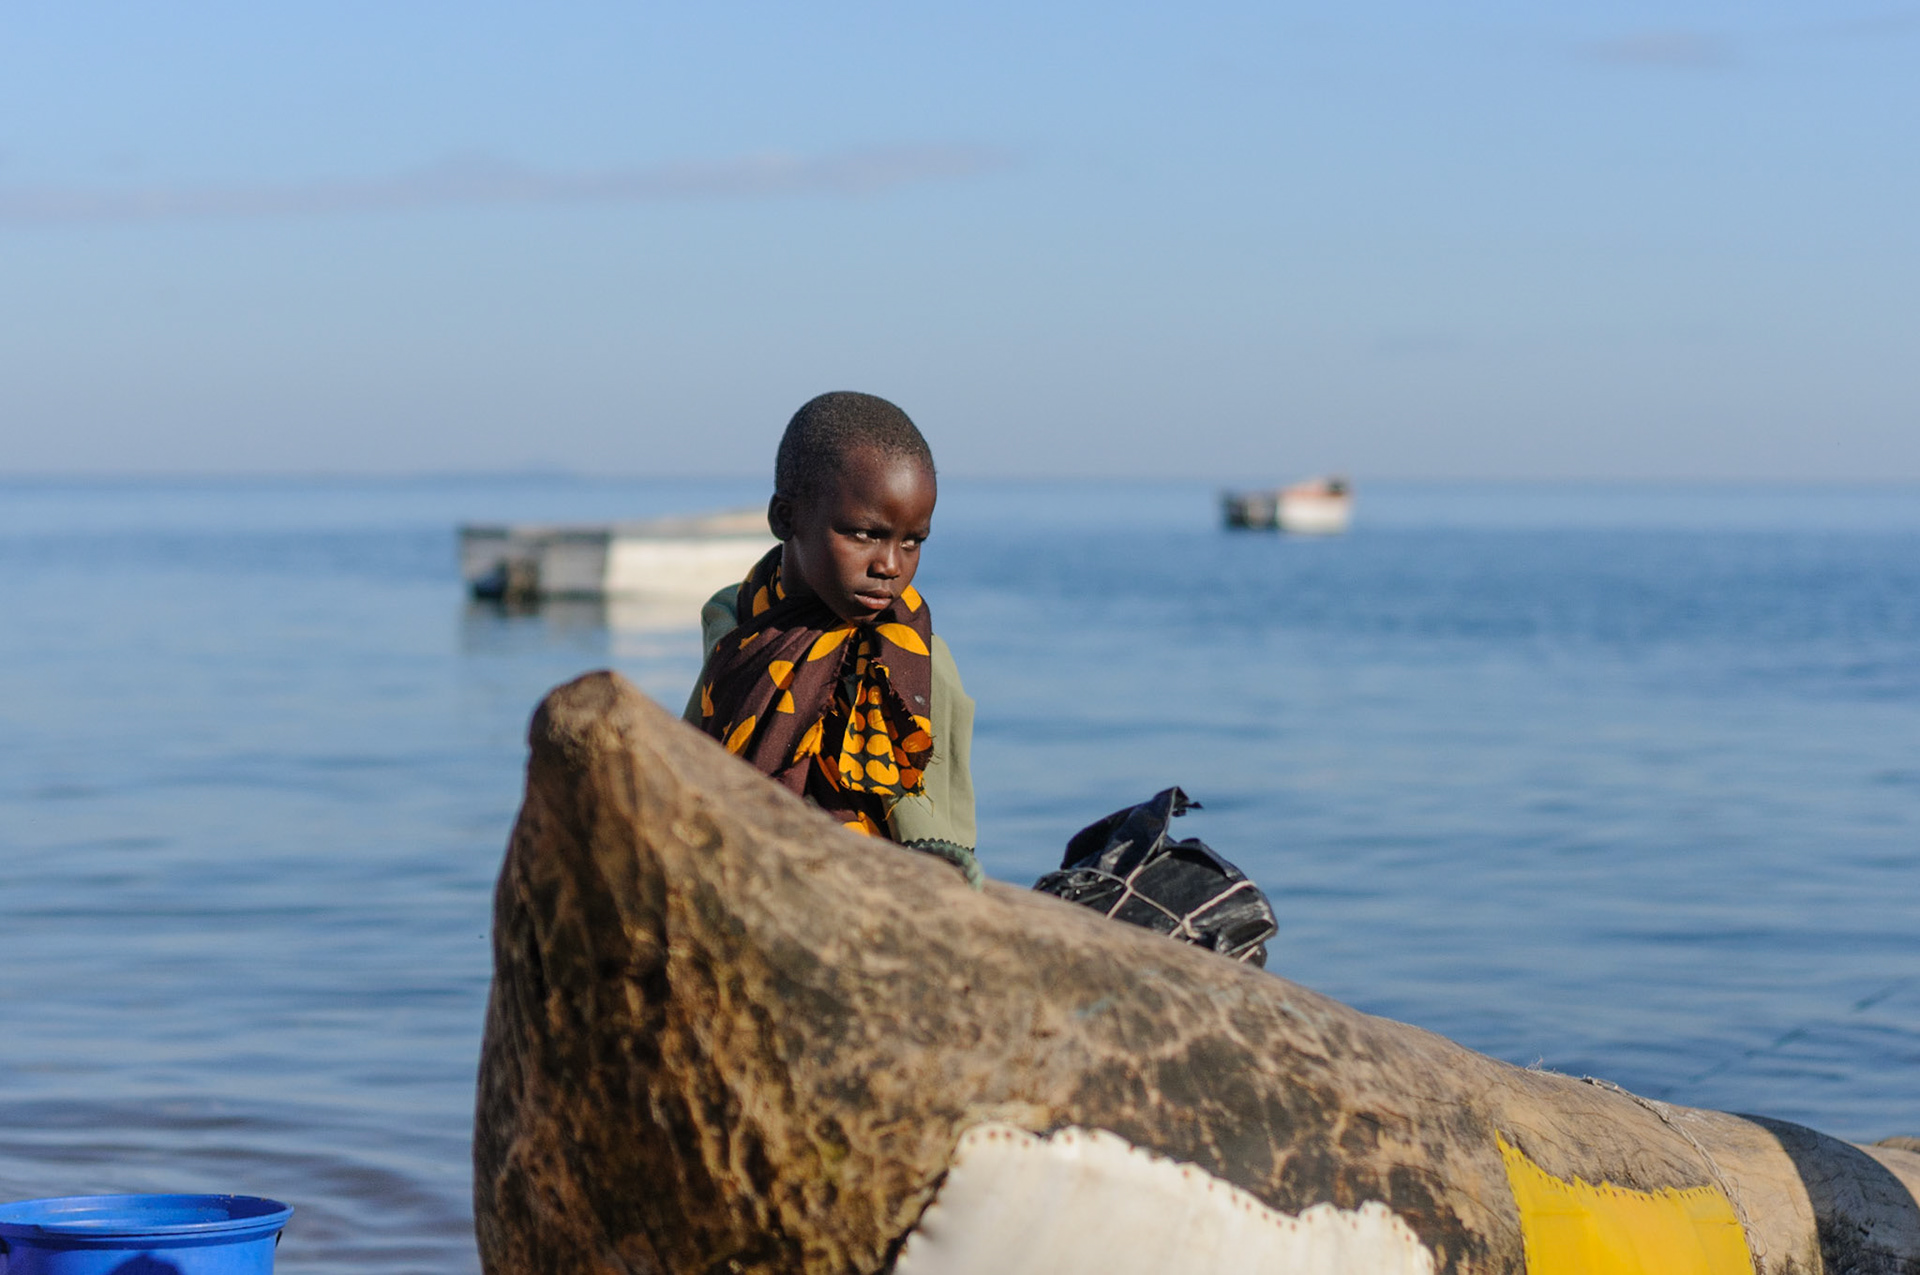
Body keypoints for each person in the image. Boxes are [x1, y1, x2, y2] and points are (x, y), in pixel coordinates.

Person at [684, 391, 979, 881]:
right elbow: (698, 758)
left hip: (887, 890)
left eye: (912, 541)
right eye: (864, 534)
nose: (889, 565)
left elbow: (941, 834)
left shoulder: (919, 658)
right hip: (746, 873)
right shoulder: (737, 624)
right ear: (786, 518)